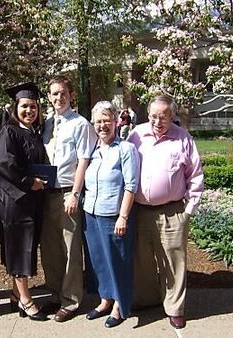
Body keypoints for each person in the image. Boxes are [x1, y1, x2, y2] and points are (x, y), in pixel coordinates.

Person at [127, 94, 204, 329]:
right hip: (139, 210)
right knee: (142, 261)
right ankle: (147, 299)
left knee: (173, 262)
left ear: (172, 116)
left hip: (172, 212)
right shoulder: (136, 135)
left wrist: (187, 211)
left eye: (163, 116)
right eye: (153, 116)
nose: (157, 121)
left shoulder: (183, 139)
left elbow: (196, 176)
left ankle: (174, 308)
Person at [41, 75, 97, 322]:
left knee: (70, 249)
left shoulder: (80, 124)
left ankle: (71, 300)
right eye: (54, 93)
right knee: (51, 248)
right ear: (49, 97)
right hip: (45, 193)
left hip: (67, 193)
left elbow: (84, 160)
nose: (58, 97)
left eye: (63, 93)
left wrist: (75, 193)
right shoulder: (46, 123)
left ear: (71, 95)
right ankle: (55, 294)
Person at [0, 82, 48, 321]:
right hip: (14, 202)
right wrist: (29, 182)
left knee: (27, 245)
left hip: (30, 200)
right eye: (24, 106)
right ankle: (26, 300)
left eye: (33, 106)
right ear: (16, 107)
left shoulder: (33, 132)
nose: (29, 110)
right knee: (19, 249)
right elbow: (4, 165)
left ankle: (17, 294)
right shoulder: (9, 132)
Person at [83, 101, 140, 328]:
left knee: (117, 262)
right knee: (99, 261)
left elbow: (131, 186)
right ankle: (105, 299)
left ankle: (119, 304)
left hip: (113, 216)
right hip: (91, 214)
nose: (102, 125)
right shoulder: (92, 151)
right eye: (98, 121)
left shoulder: (125, 149)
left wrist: (123, 216)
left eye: (107, 119)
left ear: (116, 121)